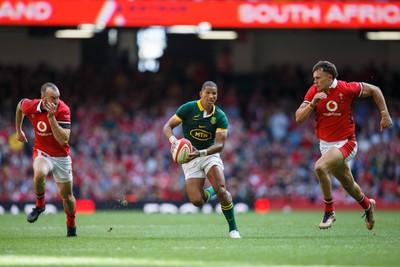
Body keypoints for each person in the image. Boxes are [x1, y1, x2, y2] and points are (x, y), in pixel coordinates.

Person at [295, 61, 393, 230]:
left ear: (329, 77)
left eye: (318, 78)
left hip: (346, 142)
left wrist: (384, 115)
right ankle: (368, 205)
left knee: (320, 167)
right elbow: (299, 118)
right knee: (348, 184)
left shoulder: (346, 89)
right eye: (314, 78)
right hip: (326, 145)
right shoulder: (314, 91)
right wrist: (312, 104)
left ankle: (329, 212)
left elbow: (375, 89)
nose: (315, 82)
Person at [163, 81, 241, 238]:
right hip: (189, 158)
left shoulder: (220, 116)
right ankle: (216, 189)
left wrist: (201, 153)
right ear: (201, 94)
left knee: (222, 193)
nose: (211, 96)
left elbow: (219, 145)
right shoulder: (188, 108)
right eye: (208, 93)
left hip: (208, 155)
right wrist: (174, 142)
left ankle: (233, 229)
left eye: (214, 94)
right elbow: (167, 127)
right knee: (197, 201)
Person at [15, 82, 77, 237]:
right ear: (43, 98)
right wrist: (18, 130)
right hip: (43, 152)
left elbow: (64, 140)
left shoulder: (63, 110)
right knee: (39, 173)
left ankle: (71, 227)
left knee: (67, 198)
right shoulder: (32, 106)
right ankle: (40, 206)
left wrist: (51, 119)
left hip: (61, 157)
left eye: (58, 98)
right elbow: (20, 106)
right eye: (53, 98)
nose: (56, 101)